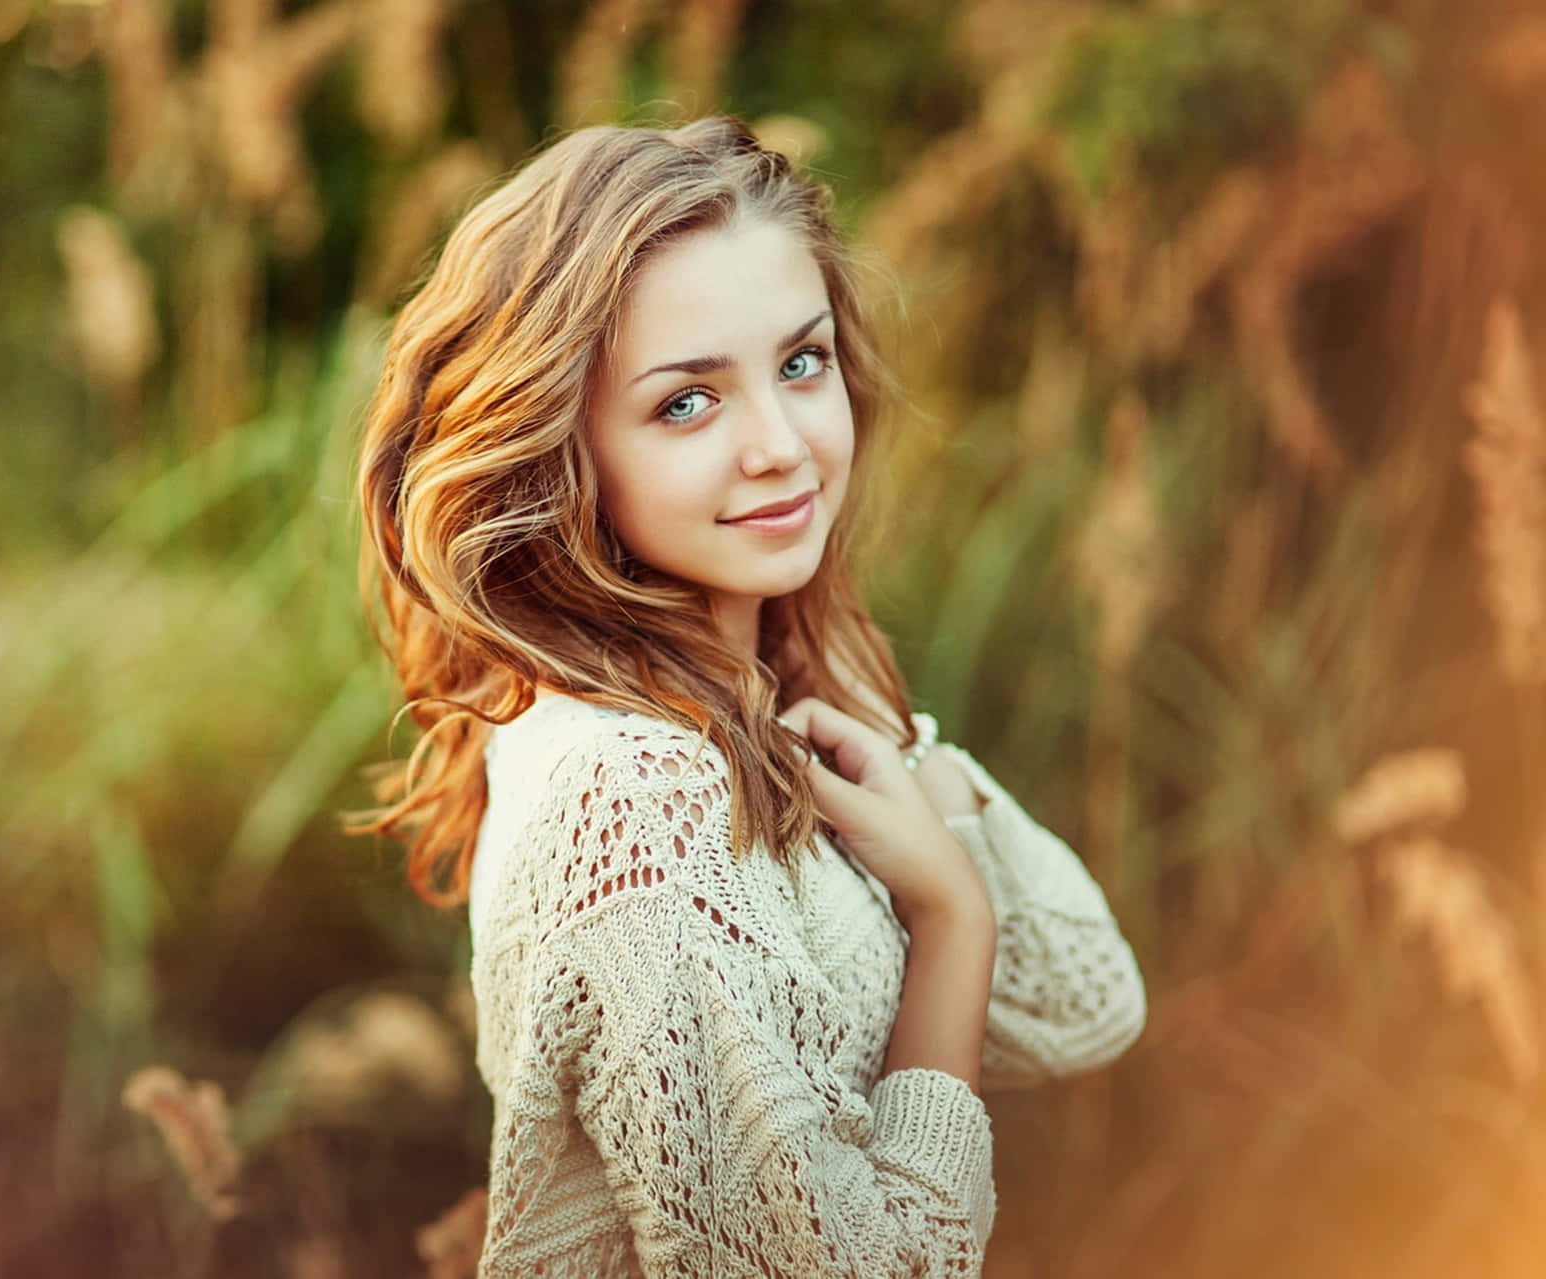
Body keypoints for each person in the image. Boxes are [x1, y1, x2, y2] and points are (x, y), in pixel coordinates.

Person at [354, 116, 1147, 1278]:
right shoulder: (633, 799)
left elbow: (1085, 1000)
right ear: (560, 451)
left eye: (801, 362)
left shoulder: (752, 700)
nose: (782, 445)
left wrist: (893, 744)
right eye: (687, 402)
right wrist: (950, 919)